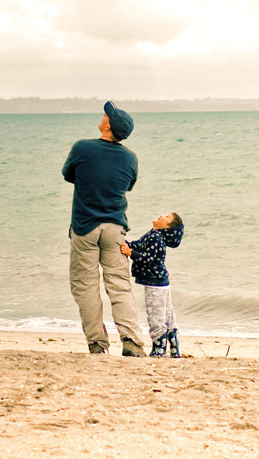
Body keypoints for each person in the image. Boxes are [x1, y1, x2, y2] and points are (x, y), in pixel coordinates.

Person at [61, 101, 146, 356]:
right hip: (115, 227)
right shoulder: (130, 157)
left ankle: (97, 343)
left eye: (105, 115)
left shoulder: (82, 148)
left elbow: (68, 174)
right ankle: (131, 340)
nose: (103, 116)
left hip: (85, 227)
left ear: (107, 125)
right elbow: (128, 185)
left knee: (85, 285)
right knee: (119, 285)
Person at [121, 212, 185, 357]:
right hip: (161, 282)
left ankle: (159, 348)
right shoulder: (153, 234)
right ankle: (174, 348)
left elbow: (148, 259)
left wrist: (131, 253)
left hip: (155, 284)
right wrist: (129, 245)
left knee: (156, 316)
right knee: (168, 315)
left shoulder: (157, 238)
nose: (162, 216)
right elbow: (140, 244)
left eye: (167, 217)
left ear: (167, 228)